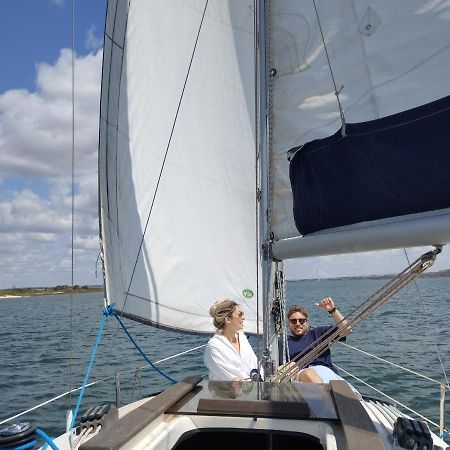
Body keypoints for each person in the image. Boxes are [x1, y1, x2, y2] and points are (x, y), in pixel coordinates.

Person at [278, 297, 351, 384]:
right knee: (308, 374)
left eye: (301, 321)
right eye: (293, 321)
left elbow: (346, 330)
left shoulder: (318, 333)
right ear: (288, 324)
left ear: (307, 323)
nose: (298, 324)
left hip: (327, 373)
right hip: (302, 377)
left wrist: (332, 310)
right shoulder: (282, 344)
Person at [204, 299, 260, 381]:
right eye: (240, 315)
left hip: (252, 388)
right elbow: (234, 380)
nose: (243, 318)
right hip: (228, 392)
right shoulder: (214, 347)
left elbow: (255, 364)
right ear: (228, 319)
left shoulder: (242, 337)